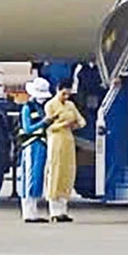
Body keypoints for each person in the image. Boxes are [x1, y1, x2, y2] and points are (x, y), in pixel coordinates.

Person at [43, 77, 86, 223]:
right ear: (57, 91)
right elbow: (48, 126)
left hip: (68, 139)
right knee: (55, 172)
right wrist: (64, 124)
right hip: (56, 139)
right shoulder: (50, 105)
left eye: (68, 94)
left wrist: (73, 125)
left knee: (67, 172)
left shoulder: (70, 105)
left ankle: (63, 208)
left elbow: (81, 121)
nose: (66, 97)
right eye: (63, 94)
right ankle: (54, 209)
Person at [15, 77, 50, 223]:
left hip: (41, 144)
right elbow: (27, 128)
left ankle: (33, 211)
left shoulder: (41, 108)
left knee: (37, 177)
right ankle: (28, 212)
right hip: (31, 145)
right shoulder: (27, 108)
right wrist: (43, 123)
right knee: (29, 176)